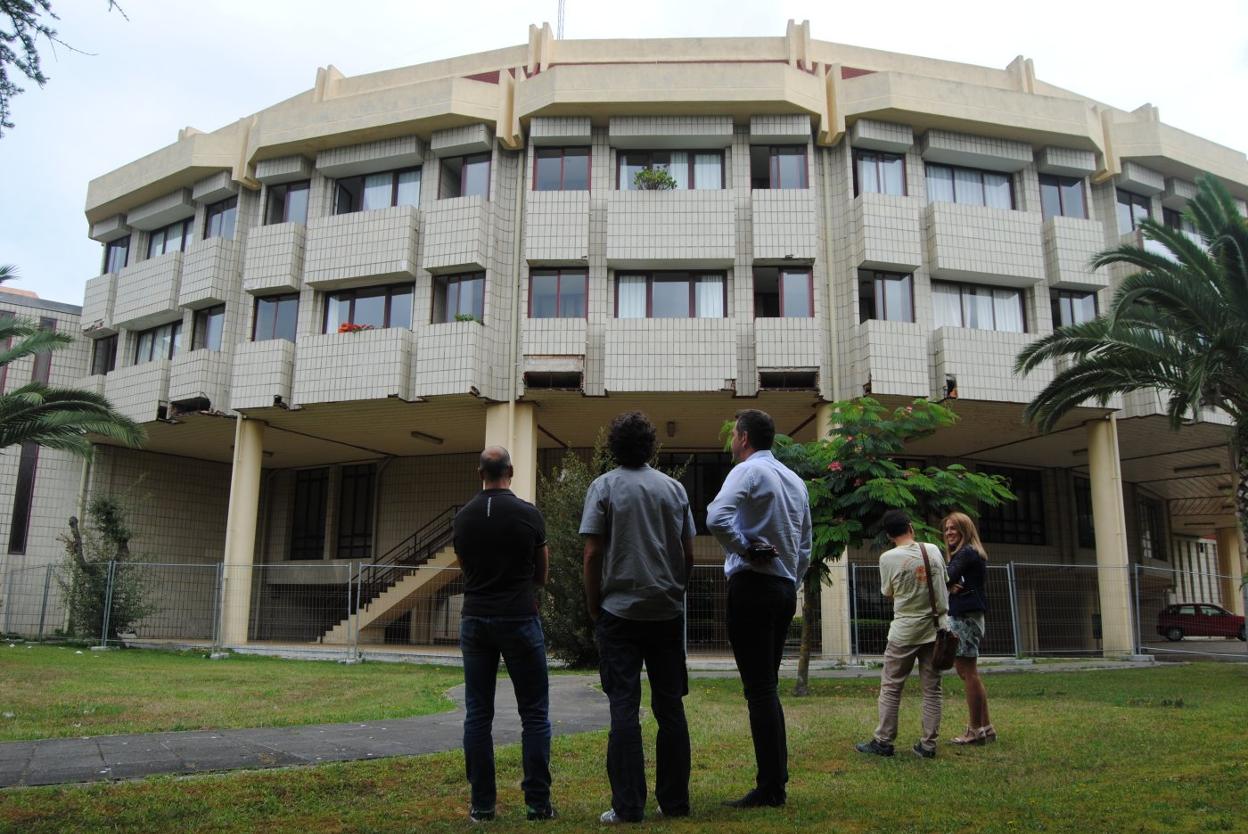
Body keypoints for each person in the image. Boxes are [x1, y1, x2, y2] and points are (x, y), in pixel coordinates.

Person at [580, 412, 696, 824]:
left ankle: (628, 806)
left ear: (614, 446)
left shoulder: (604, 487)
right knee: (670, 709)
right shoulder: (674, 488)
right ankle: (675, 803)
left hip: (618, 613)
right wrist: (674, 592)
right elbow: (688, 553)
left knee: (623, 708)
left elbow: (593, 553)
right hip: (665, 612)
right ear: (651, 446)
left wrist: (595, 605)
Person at [706, 409, 811, 809]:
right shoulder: (795, 481)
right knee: (768, 685)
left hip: (752, 585)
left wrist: (745, 548)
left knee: (760, 689)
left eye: (734, 434)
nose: (732, 441)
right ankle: (775, 781)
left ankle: (770, 787)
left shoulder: (747, 471)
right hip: (784, 589)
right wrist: (790, 579)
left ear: (745, 438)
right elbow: (804, 545)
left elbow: (716, 516)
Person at [453, 446, 555, 823]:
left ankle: (482, 805)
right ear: (510, 470)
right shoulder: (529, 514)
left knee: (478, 714)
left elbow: (465, 567)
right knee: (534, 713)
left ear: (480, 472)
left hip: (476, 618)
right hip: (519, 617)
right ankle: (537, 803)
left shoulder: (462, 519)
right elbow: (542, 575)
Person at [855, 508, 949, 759]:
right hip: (937, 629)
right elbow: (943, 582)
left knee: (891, 687)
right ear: (911, 526)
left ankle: (883, 741)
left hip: (905, 630)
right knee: (932, 689)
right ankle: (928, 745)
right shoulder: (932, 550)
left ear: (888, 535)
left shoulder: (887, 558)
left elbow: (887, 592)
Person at [943, 511, 996, 744]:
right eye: (946, 529)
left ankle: (974, 730)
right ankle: (986, 727)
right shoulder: (970, 553)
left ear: (965, 529)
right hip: (969, 614)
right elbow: (951, 580)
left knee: (968, 673)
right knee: (969, 672)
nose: (949, 533)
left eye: (953, 528)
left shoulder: (966, 553)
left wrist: (948, 582)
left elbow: (945, 577)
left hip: (965, 616)